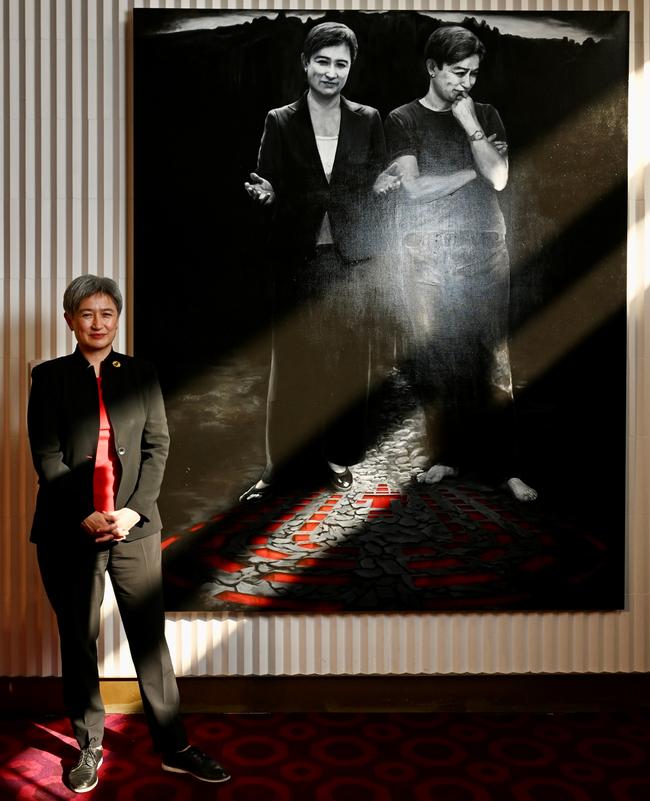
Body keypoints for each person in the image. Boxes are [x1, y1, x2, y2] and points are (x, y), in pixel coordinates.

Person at [27, 275, 230, 793]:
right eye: (87, 313)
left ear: (118, 319)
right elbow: (46, 454)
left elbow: (157, 447)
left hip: (134, 530)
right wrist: (84, 512)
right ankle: (89, 744)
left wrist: (135, 511)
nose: (98, 323)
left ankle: (174, 746)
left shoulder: (141, 373)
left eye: (107, 313)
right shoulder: (48, 377)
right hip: (69, 530)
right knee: (79, 639)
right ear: (69, 319)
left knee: (149, 639)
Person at [241, 22, 398, 502]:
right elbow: (267, 181)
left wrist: (382, 188)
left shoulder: (368, 119)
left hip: (354, 258)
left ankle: (337, 459)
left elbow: (377, 179)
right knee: (292, 362)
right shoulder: (280, 120)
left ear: (351, 68)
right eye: (323, 61)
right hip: (299, 257)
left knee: (348, 363)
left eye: (341, 64)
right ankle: (278, 468)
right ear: (306, 63)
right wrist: (267, 195)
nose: (331, 72)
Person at [384, 25, 537, 501]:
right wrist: (471, 169)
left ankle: (506, 467)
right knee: (438, 359)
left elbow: (497, 179)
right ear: (432, 68)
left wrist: (470, 123)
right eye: (456, 73)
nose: (466, 82)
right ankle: (447, 458)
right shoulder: (402, 118)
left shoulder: (485, 112)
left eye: (472, 73)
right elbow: (413, 190)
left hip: (485, 245)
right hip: (426, 249)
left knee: (493, 359)